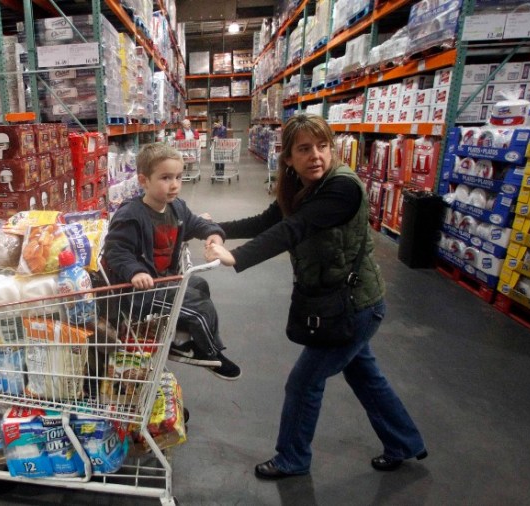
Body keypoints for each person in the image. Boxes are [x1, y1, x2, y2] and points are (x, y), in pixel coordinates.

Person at [204, 114, 426, 478]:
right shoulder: (300, 187)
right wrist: (213, 229)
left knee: (304, 382)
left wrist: (237, 257)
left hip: (354, 306)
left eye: (323, 146)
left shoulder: (343, 189)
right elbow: (268, 221)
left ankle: (293, 458)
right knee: (365, 375)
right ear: (288, 158)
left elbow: (295, 228)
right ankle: (404, 442)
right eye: (304, 149)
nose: (316, 156)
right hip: (337, 303)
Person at [103, 142, 240, 380]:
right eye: (165, 177)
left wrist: (213, 234)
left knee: (199, 285)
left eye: (178, 176)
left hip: (163, 280)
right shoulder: (130, 215)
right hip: (139, 292)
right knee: (200, 307)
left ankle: (177, 338)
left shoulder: (176, 207)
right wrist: (135, 272)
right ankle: (208, 352)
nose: (175, 184)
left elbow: (196, 223)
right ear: (144, 180)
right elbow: (115, 251)